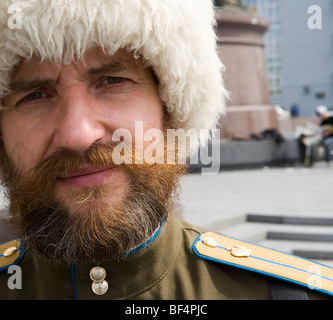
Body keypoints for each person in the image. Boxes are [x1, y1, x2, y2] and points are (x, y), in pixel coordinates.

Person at [0, 0, 332, 300]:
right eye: (34, 96)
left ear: (170, 109)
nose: (78, 134)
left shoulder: (285, 295)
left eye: (113, 80)